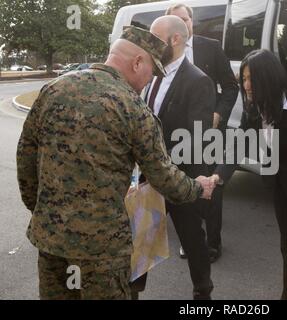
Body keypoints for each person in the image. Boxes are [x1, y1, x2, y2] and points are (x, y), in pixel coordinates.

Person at [16, 26, 215, 300]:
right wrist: (197, 187)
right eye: (151, 71)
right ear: (137, 62)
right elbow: (162, 176)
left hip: (52, 241)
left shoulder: (54, 89)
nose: (149, 80)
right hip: (102, 251)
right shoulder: (132, 108)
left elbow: (26, 162)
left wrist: (45, 213)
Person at [212, 49, 287, 300]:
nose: (246, 85)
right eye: (243, 79)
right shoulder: (255, 110)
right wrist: (218, 176)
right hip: (281, 190)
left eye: (250, 79)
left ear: (267, 78)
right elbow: (237, 145)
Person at [134, 16, 216, 300]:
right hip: (149, 177)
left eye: (157, 38)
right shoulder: (150, 74)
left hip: (182, 177)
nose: (151, 44)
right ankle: (133, 290)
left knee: (193, 240)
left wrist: (176, 175)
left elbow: (198, 137)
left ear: (176, 40)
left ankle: (202, 293)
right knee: (141, 237)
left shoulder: (198, 81)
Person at [166, 3, 239, 263]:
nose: (182, 24)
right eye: (176, 21)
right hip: (175, 136)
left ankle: (213, 244)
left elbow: (231, 87)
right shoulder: (162, 51)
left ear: (192, 22)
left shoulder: (210, 47)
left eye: (185, 19)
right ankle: (190, 240)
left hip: (209, 131)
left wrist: (219, 113)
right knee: (183, 187)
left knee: (211, 187)